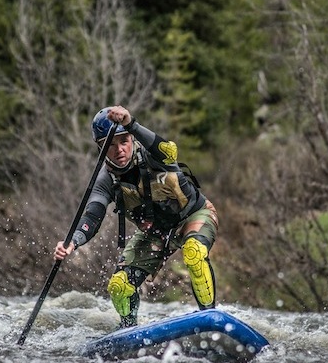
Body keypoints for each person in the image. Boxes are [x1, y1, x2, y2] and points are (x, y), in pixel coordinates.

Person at [54, 105, 219, 328]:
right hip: (155, 234)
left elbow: (169, 151)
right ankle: (129, 333)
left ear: (132, 139)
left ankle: (209, 319)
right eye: (110, 145)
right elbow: (92, 216)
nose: (119, 150)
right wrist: (72, 242)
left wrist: (131, 123)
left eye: (124, 141)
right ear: (100, 148)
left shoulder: (154, 155)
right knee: (119, 286)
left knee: (194, 253)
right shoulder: (105, 181)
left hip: (193, 216)